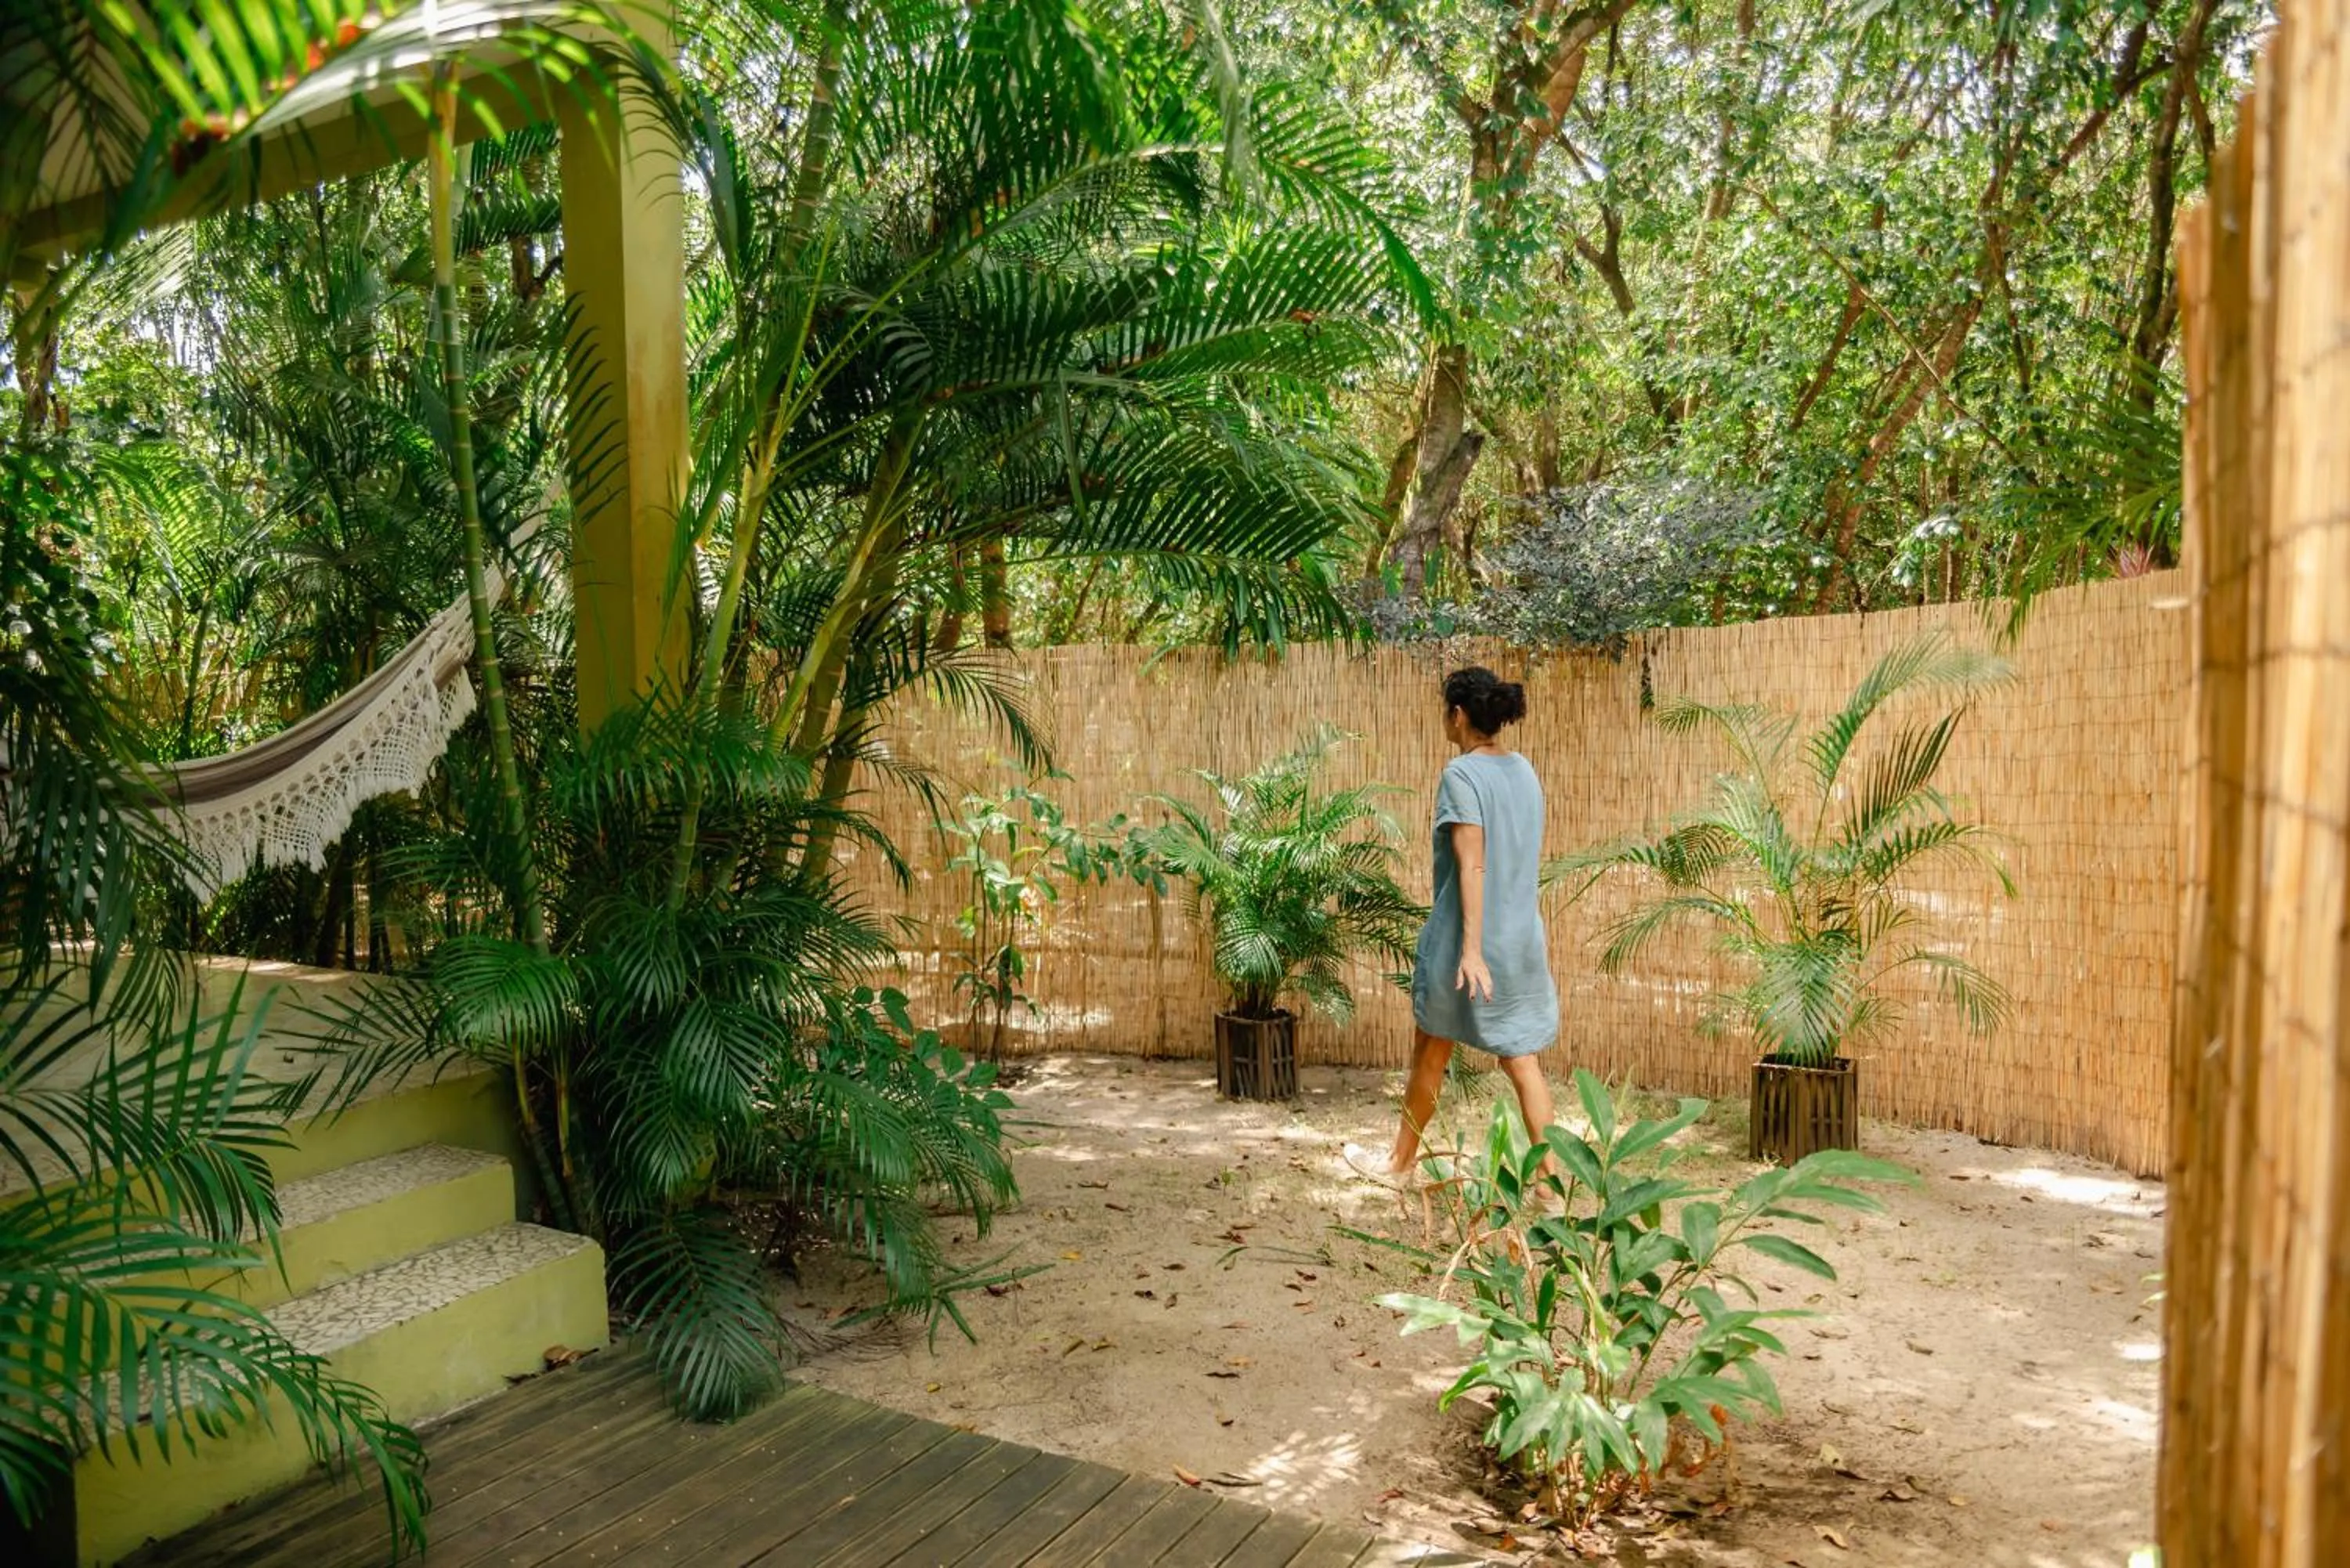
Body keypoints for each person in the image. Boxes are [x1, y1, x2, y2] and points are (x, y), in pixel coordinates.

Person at [1365, 666, 1562, 1180]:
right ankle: (1551, 1186)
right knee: (1521, 1059)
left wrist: (1471, 950)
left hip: (1470, 942)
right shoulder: (1524, 770)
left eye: (1444, 711)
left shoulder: (1461, 775)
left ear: (1457, 714)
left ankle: (1400, 1164)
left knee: (1431, 1048)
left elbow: (1471, 861)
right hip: (1521, 938)